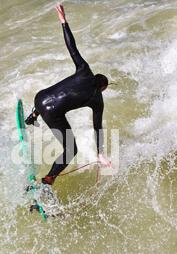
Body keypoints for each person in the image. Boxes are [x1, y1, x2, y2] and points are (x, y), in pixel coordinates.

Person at [25, 3, 112, 185]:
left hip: (39, 98)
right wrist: (101, 154)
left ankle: (32, 116)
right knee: (71, 149)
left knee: (52, 98)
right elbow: (98, 128)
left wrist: (64, 22)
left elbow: (72, 47)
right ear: (102, 88)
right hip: (50, 112)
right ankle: (48, 179)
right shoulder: (97, 99)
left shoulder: (84, 70)